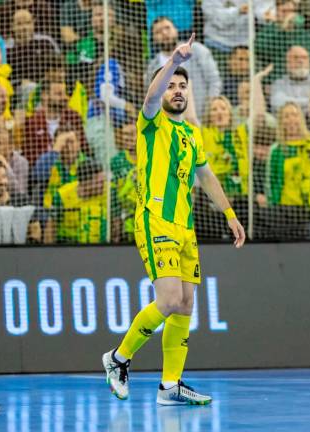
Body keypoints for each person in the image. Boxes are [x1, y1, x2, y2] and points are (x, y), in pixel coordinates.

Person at [102, 34, 245, 406]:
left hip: (185, 227)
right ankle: (118, 359)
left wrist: (230, 214)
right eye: (172, 85)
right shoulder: (152, 123)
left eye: (183, 86)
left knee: (184, 304)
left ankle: (170, 385)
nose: (177, 90)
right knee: (167, 299)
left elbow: (207, 176)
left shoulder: (191, 134)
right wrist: (172, 60)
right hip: (156, 221)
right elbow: (150, 98)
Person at [145, 17, 222, 117]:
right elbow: (152, 98)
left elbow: (214, 81)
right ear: (154, 39)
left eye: (167, 28)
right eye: (158, 32)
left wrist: (209, 110)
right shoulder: (152, 67)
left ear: (176, 30)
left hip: (203, 117)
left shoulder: (196, 50)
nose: (164, 33)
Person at [266, 102, 310, 209]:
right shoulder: (276, 150)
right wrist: (275, 204)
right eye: (286, 116)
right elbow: (271, 182)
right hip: (285, 208)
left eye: (295, 115)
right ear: (281, 122)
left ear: (301, 119)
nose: (291, 120)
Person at [269, 46, 310, 113]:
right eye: (296, 57)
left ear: (309, 63)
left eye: (304, 58)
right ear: (287, 63)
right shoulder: (279, 83)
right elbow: (277, 103)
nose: (300, 61)